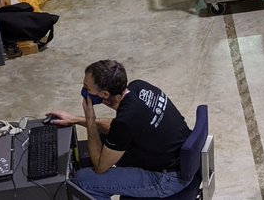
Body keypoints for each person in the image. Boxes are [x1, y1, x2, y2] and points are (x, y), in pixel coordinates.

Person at [47, 60, 192, 200]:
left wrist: (90, 119)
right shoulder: (139, 87)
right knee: (104, 140)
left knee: (83, 181)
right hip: (184, 159)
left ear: (104, 95)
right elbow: (119, 128)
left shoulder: (126, 120)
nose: (84, 91)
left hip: (168, 179)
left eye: (87, 88)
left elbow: (100, 167)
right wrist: (76, 120)